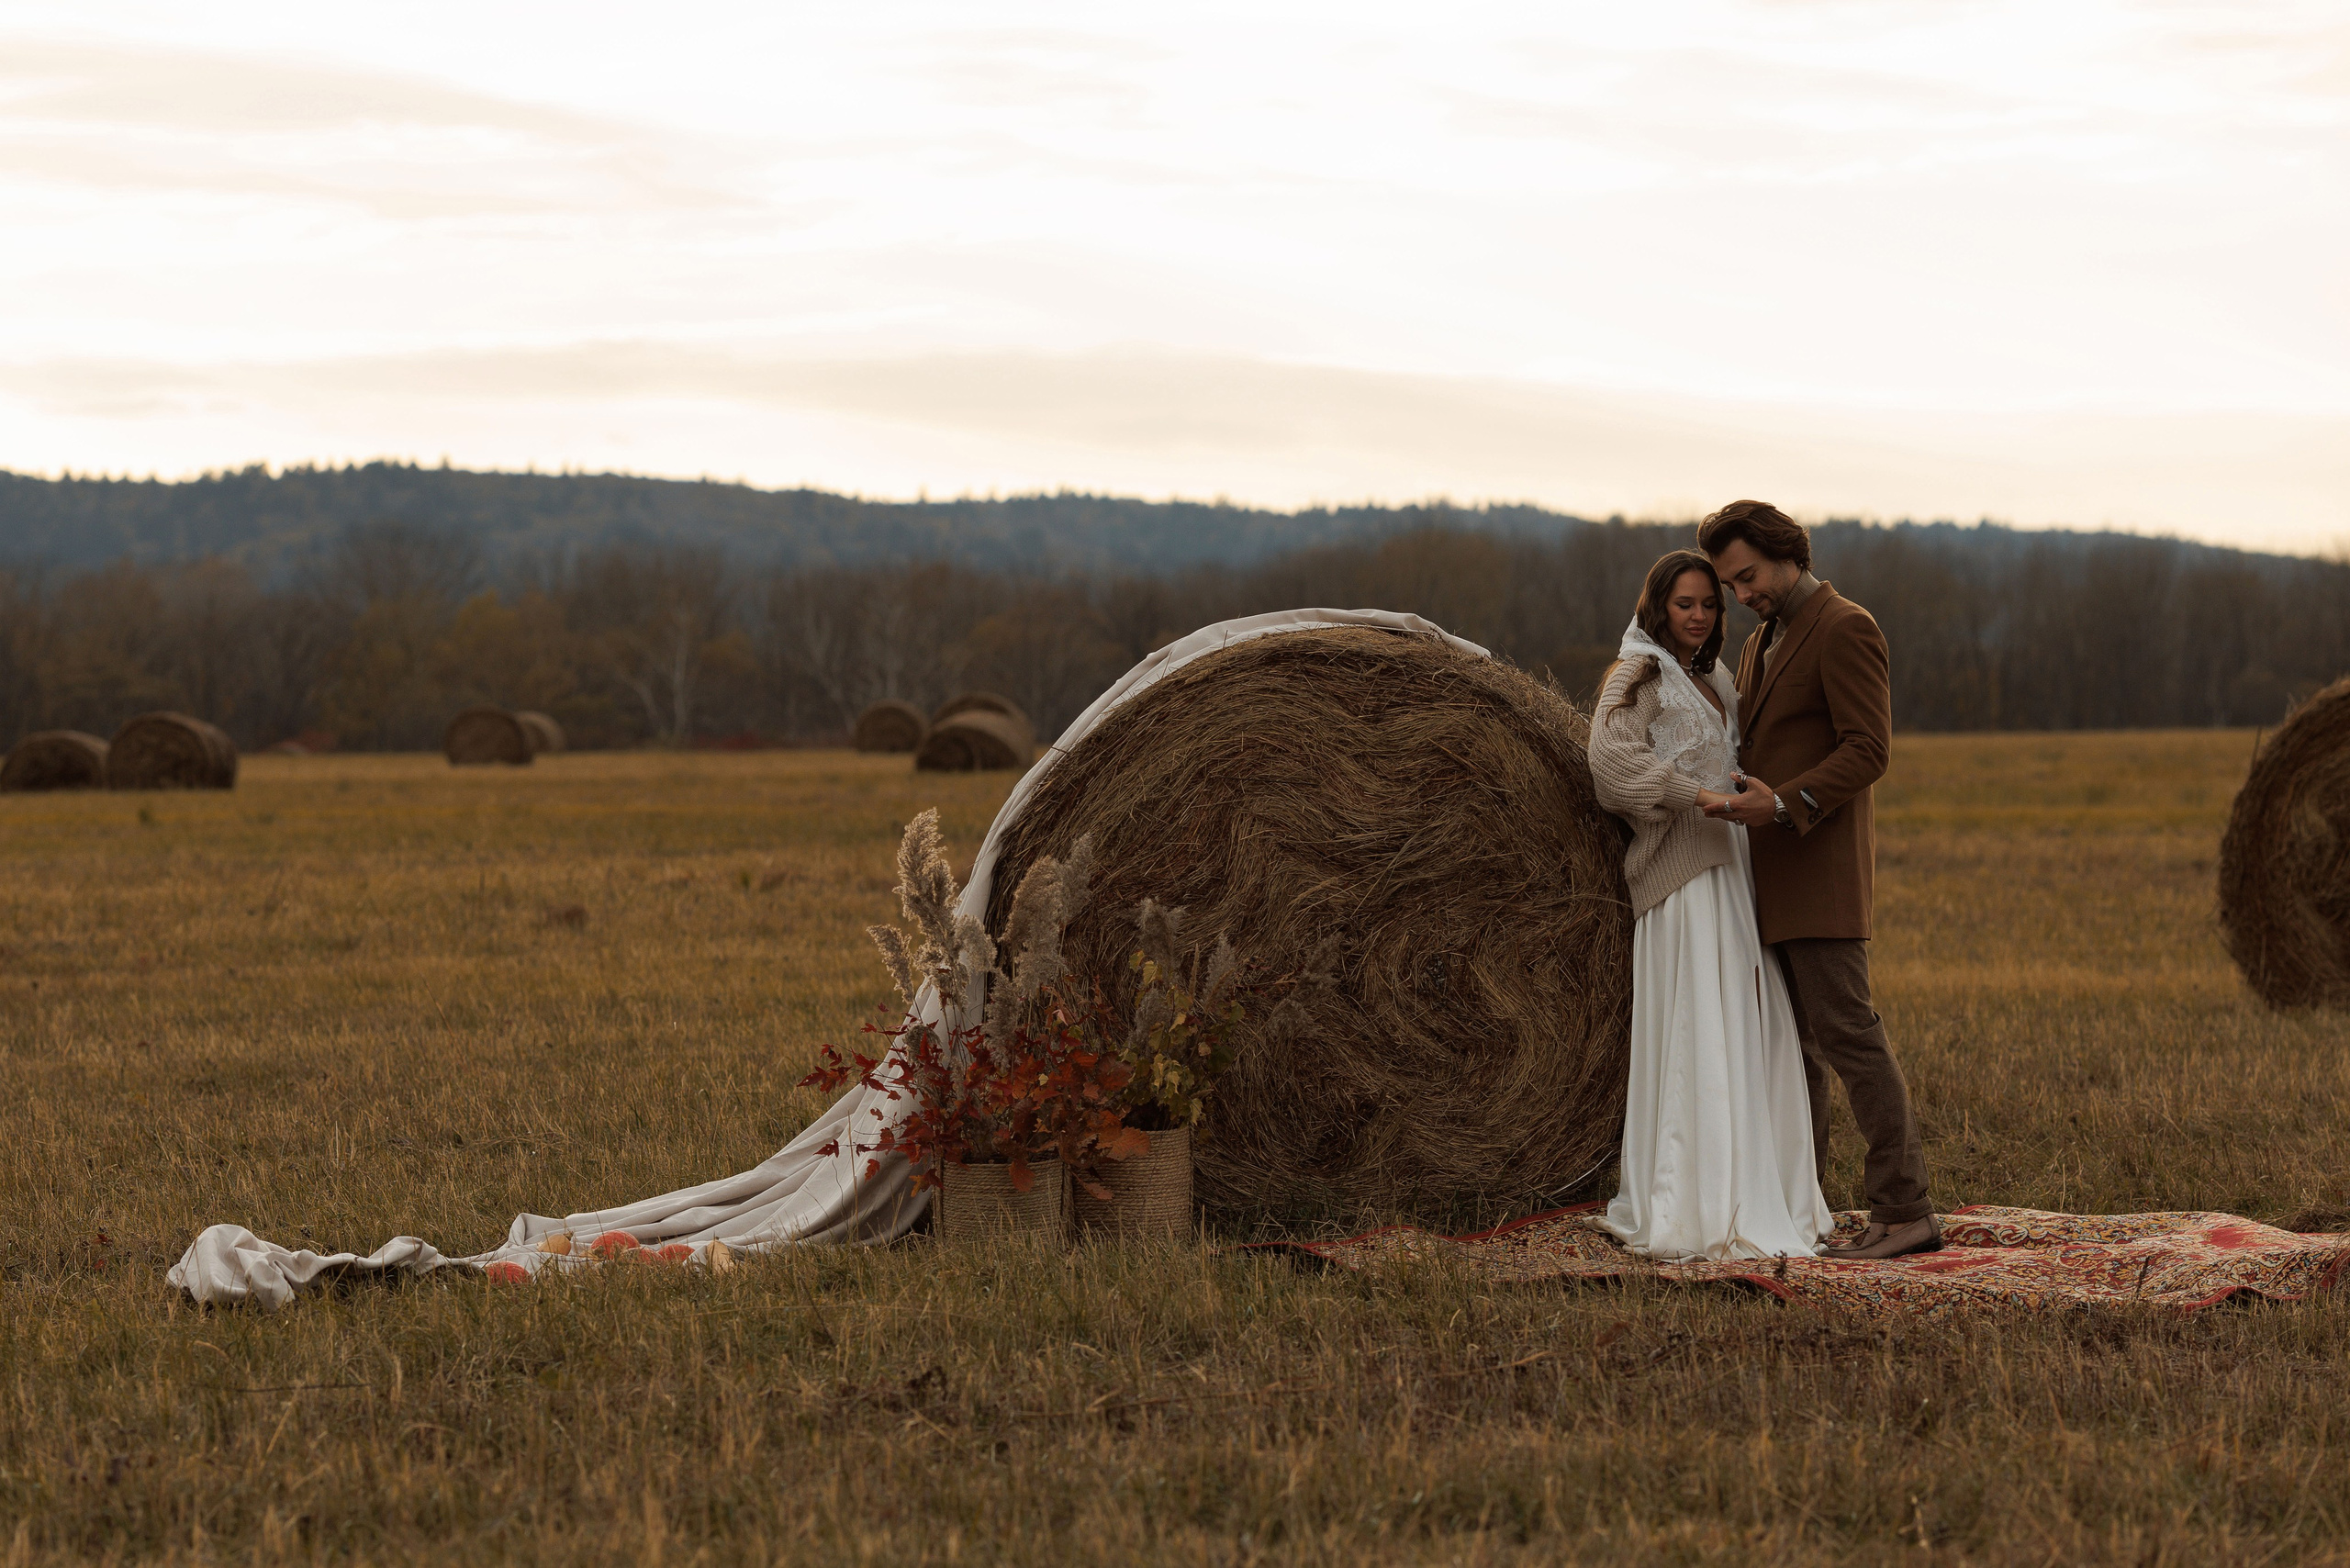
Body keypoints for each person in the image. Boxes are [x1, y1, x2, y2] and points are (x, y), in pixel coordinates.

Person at [1699, 499, 1939, 1260]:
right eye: (1730, 587)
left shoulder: (1846, 627)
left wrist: (1786, 800)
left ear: (1784, 552)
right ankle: (1806, 1209)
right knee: (1795, 1050)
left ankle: (1906, 1212)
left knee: (1849, 1037)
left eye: (1748, 577)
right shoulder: (1765, 639)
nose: (1742, 597)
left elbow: (1870, 749)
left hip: (1822, 873)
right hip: (1767, 878)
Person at [1586, 550, 1833, 1260]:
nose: (1698, 616)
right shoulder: (1637, 672)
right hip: (1685, 878)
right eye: (1684, 604)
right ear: (1656, 606)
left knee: (1748, 1029)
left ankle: (1760, 1189)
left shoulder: (1713, 677)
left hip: (1736, 870)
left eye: (1708, 605)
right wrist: (1696, 797)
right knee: (1702, 1029)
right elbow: (1609, 765)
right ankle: (1692, 1201)